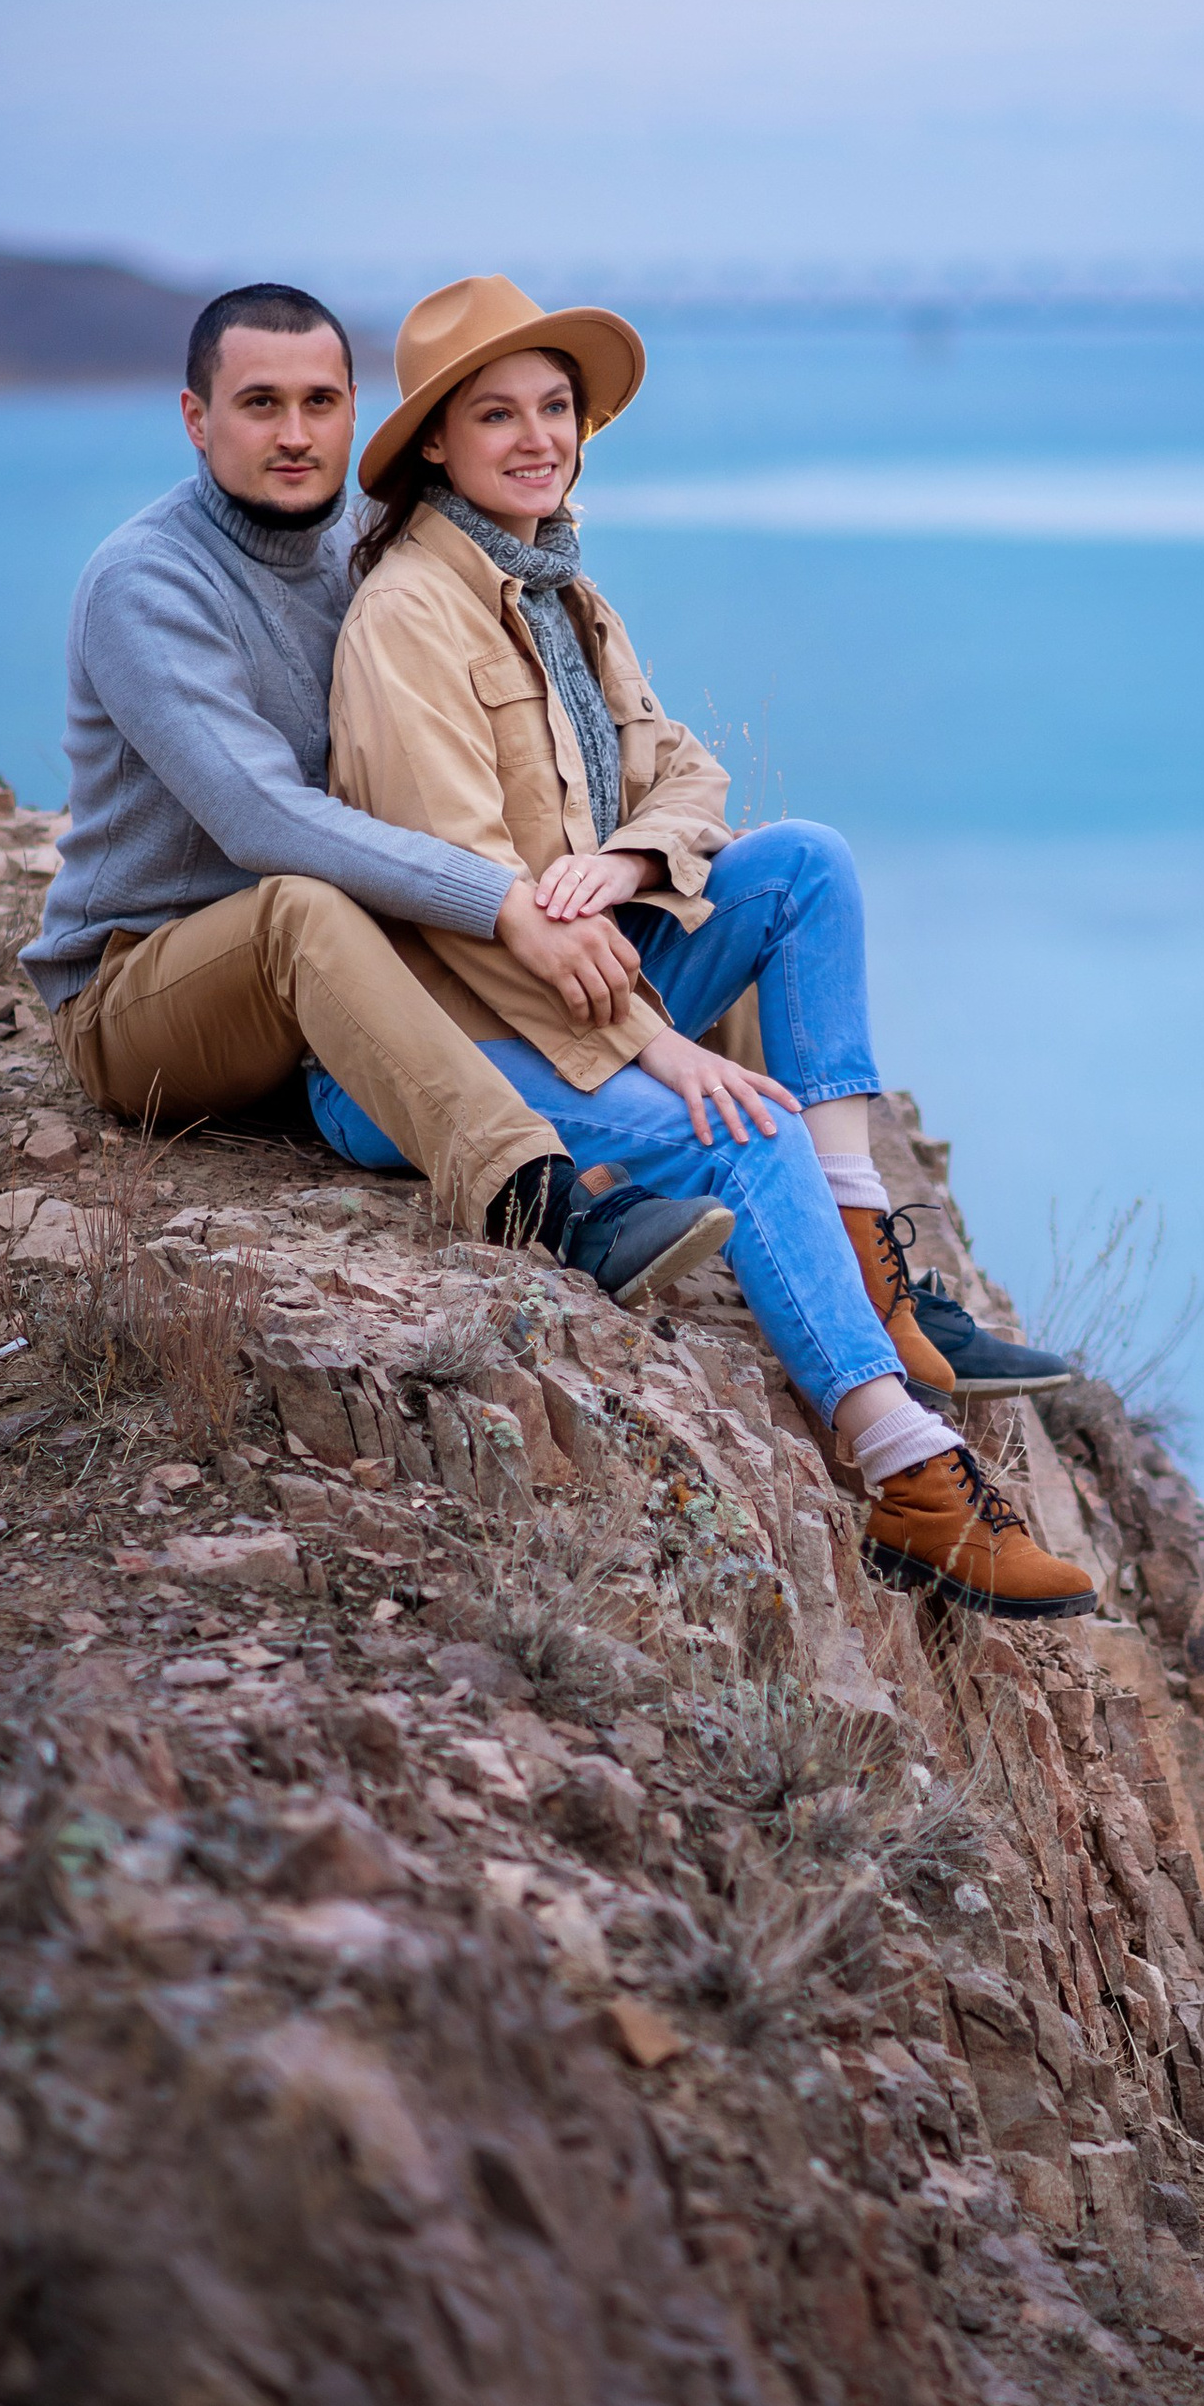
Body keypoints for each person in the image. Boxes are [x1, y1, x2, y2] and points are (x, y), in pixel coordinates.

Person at [319, 273, 1094, 1620]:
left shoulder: (558, 588)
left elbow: (682, 768)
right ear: (434, 444)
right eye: (494, 414)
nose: (536, 436)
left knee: (806, 867)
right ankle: (906, 1470)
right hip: (446, 1041)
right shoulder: (408, 617)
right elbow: (465, 899)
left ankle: (862, 1257)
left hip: (570, 985)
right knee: (744, 1120)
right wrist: (661, 1047)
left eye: (554, 408)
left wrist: (627, 858)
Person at [23, 280, 725, 1302]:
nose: (296, 433)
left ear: (359, 410)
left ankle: (799, 1206)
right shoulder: (148, 582)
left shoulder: (371, 546)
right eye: (261, 403)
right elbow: (259, 819)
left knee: (709, 880)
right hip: (147, 992)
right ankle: (541, 1200)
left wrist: (611, 857)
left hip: (347, 983)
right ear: (196, 418)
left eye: (321, 402)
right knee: (295, 910)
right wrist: (505, 906)